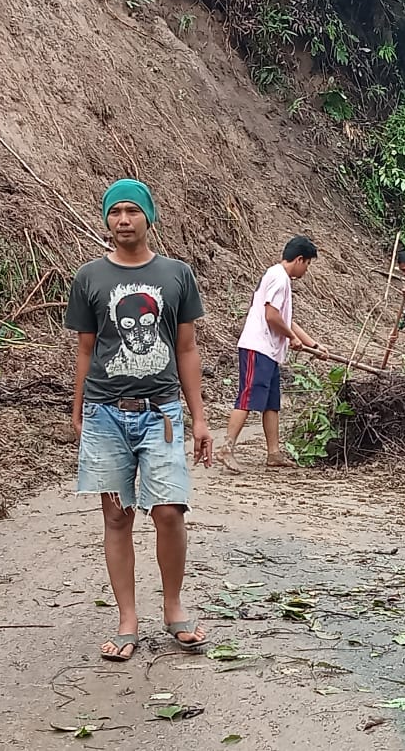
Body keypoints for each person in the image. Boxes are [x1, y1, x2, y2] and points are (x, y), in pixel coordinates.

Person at [65, 178, 212, 663]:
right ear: (106, 220)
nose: (123, 220)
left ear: (149, 217)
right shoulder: (89, 277)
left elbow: (187, 348)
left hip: (162, 414)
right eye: (115, 212)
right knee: (116, 515)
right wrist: (79, 407)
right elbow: (86, 349)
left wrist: (200, 418)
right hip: (105, 412)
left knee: (169, 511)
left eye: (132, 211)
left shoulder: (177, 275)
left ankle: (173, 608)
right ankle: (128, 619)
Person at [216, 237, 323, 473]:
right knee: (247, 396)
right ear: (299, 259)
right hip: (258, 347)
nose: (306, 270)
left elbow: (286, 319)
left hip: (270, 351)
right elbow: (272, 316)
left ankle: (273, 453)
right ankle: (226, 448)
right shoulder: (278, 277)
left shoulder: (279, 278)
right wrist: (291, 338)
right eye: (308, 265)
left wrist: (312, 344)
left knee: (271, 403)